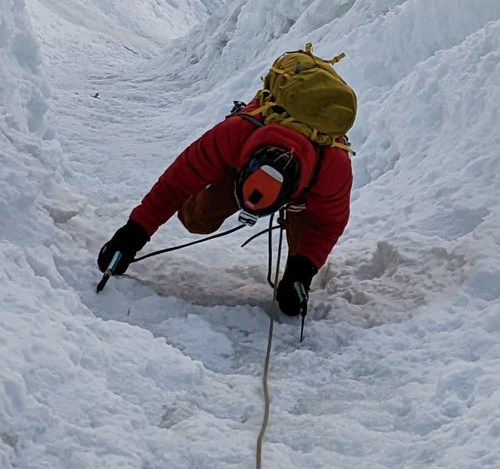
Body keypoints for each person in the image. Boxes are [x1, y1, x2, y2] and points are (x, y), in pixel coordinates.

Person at [96, 49, 357, 317]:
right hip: (243, 161)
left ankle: (296, 251)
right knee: (196, 219)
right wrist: (132, 235)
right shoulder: (234, 135)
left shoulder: (332, 168)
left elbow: (328, 224)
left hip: (306, 193)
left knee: (304, 247)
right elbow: (177, 181)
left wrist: (302, 270)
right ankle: (233, 190)